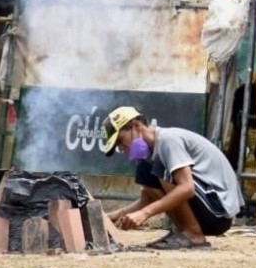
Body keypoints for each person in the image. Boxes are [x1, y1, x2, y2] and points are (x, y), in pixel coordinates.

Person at [100, 106, 242, 250]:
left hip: (218, 213)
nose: (122, 148)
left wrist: (144, 214)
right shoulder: (153, 153)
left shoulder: (167, 141)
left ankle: (193, 235)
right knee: (145, 169)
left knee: (160, 166)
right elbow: (148, 198)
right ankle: (183, 232)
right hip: (208, 207)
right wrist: (118, 215)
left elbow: (187, 188)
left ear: (136, 126)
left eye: (120, 141)